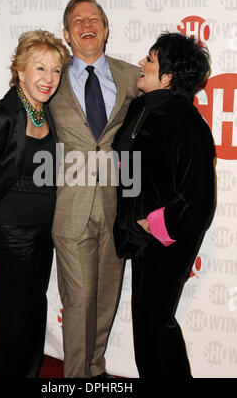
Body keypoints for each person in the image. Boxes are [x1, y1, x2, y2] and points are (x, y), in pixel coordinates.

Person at [0, 30, 70, 378]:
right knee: (10, 318)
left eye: (55, 70)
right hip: (8, 234)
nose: (48, 79)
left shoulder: (49, 115)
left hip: (43, 232)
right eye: (40, 69)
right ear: (20, 71)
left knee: (35, 311)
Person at [112, 32, 216, 378]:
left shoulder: (187, 121)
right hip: (142, 238)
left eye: (150, 60)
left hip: (169, 240)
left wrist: (157, 223)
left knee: (156, 323)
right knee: (145, 324)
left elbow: (200, 199)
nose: (141, 64)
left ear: (168, 77)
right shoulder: (141, 107)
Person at [49, 0, 140, 378]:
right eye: (77, 20)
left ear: (105, 29)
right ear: (67, 34)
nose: (87, 24)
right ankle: (74, 378)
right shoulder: (51, 77)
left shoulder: (131, 76)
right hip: (70, 209)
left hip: (116, 207)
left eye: (94, 19)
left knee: (105, 301)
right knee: (80, 301)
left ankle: (96, 369)